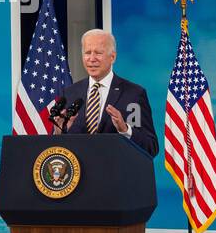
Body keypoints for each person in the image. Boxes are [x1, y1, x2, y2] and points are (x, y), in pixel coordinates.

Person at [51, 29, 158, 157]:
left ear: (112, 57)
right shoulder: (70, 93)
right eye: (87, 53)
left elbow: (151, 147)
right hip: (78, 174)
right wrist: (59, 132)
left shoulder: (133, 94)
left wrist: (125, 130)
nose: (92, 59)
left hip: (115, 174)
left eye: (98, 53)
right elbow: (59, 149)